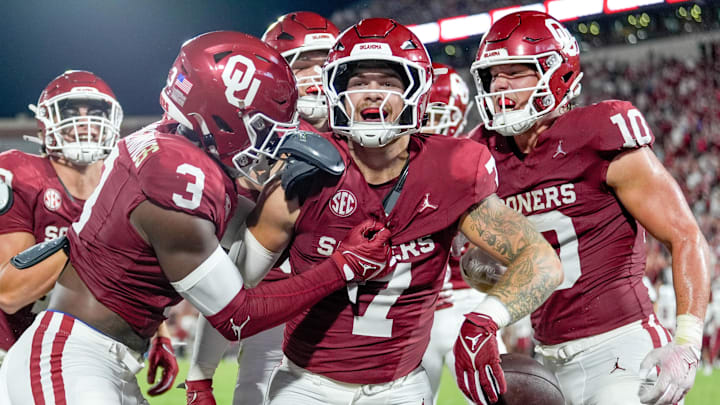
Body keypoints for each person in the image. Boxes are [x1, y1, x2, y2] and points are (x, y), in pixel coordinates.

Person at [0, 31, 395, 405]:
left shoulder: (175, 150)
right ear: (223, 117)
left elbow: (143, 261)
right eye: (264, 127)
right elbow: (237, 316)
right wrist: (343, 266)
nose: (271, 141)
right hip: (70, 357)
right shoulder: (176, 177)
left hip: (105, 354)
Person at [244, 18, 563, 405]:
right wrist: (336, 270)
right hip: (305, 386)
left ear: (418, 93)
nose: (372, 95)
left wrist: (483, 321)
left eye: (390, 83)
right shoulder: (303, 172)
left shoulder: (451, 170)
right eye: (358, 83)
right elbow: (234, 304)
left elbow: (541, 261)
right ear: (335, 92)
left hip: (402, 388)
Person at [466, 10, 710, 405]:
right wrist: (485, 266)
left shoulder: (601, 130)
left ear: (556, 74)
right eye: (494, 74)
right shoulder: (484, 152)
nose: (500, 85)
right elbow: (480, 262)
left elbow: (684, 235)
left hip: (622, 347)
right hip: (545, 358)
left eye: (515, 72)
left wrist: (686, 344)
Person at [186, 13, 341, 405]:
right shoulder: (242, 154)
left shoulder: (372, 148)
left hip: (354, 322)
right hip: (270, 316)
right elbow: (234, 282)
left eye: (324, 64)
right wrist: (201, 374)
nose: (315, 76)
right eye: (301, 65)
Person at [0, 70, 180, 397]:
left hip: (91, 355)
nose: (83, 121)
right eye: (71, 111)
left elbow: (137, 276)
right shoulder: (21, 174)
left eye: (93, 112)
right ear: (45, 121)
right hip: (15, 351)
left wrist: (160, 334)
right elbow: (9, 292)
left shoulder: (123, 182)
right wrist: (95, 232)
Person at [418, 62, 507, 405]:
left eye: (433, 110)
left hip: (445, 307)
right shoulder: (479, 159)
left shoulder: (474, 159)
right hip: (444, 309)